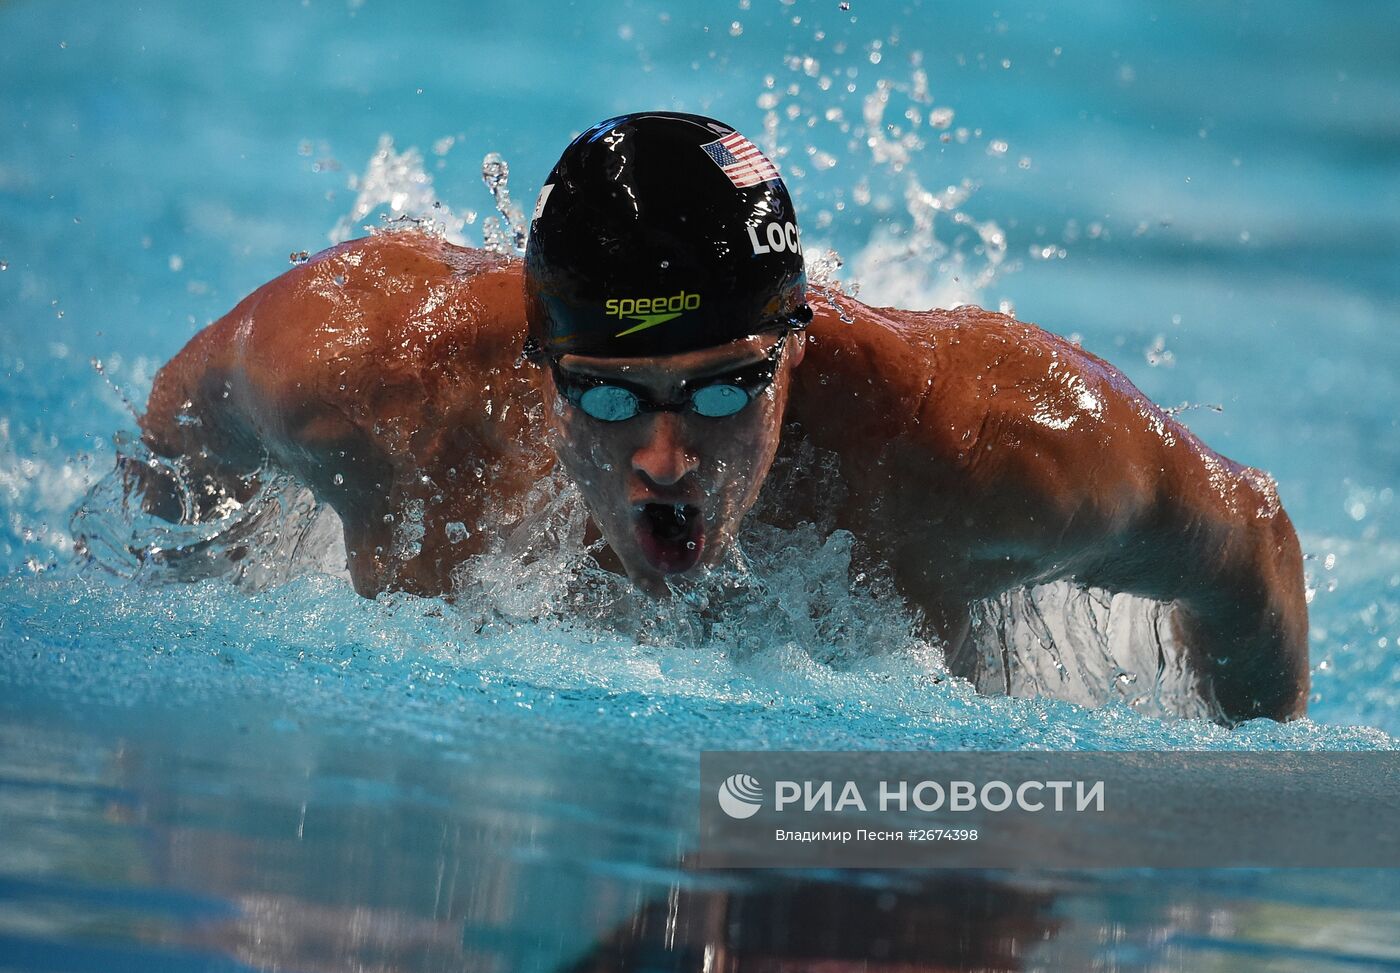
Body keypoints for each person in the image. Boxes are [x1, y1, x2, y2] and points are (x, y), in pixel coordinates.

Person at [134, 111, 1308, 724]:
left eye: (720, 388)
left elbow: (1250, 544)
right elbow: (177, 431)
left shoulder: (979, 445)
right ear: (537, 359)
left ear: (792, 349)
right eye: (603, 394)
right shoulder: (370, 376)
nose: (662, 455)